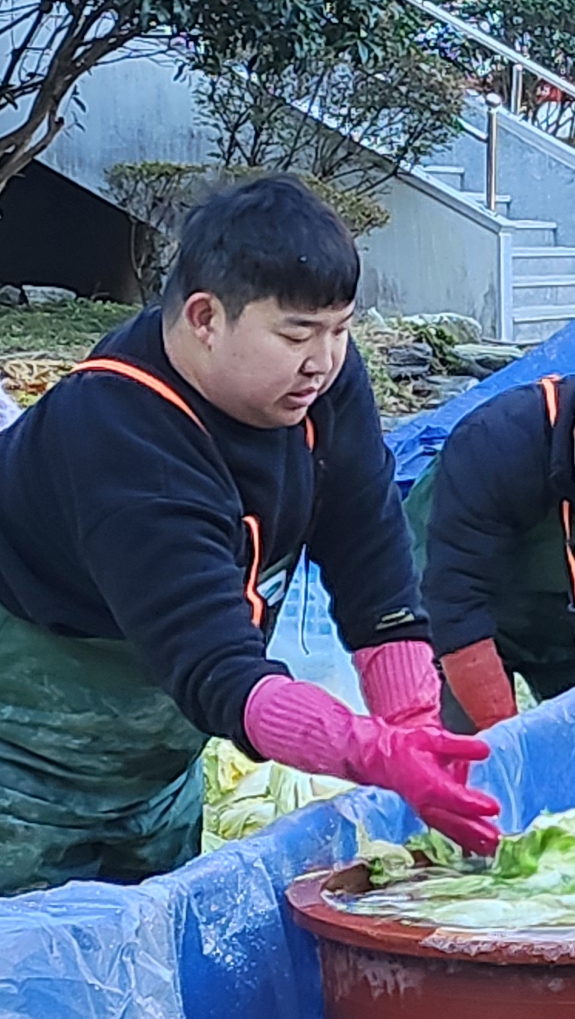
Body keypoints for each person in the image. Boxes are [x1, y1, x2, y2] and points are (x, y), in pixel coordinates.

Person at [0, 175, 498, 897]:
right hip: (26, 751)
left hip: (159, 760)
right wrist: (370, 751)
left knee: (150, 934)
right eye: (296, 334)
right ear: (204, 317)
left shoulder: (317, 381)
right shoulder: (119, 438)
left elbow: (368, 546)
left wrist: (416, 724)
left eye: (340, 329)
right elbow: (218, 667)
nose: (323, 361)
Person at [410, 357, 575, 729]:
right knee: (466, 750)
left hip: (566, 618)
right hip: (458, 607)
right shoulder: (493, 444)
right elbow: (455, 601)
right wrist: (504, 735)